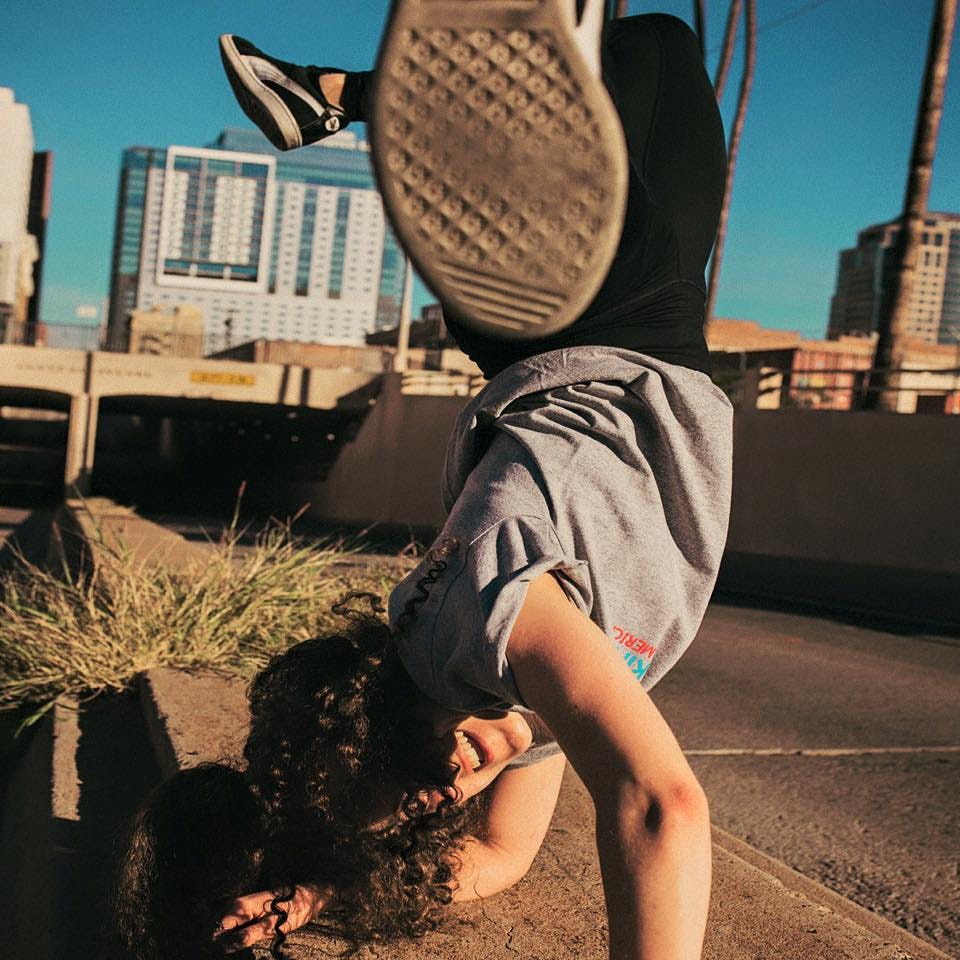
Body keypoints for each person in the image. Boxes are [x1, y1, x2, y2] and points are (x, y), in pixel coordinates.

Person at [122, 7, 733, 959]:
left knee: (539, 96)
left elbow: (662, 806)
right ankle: (336, 96)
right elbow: (499, 857)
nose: (450, 779)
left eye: (417, 764)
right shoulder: (501, 718)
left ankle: (340, 95)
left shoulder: (485, 621)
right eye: (427, 802)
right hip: (654, 336)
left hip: (575, 321)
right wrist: (326, 890)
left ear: (374, 703)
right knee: (659, 45)